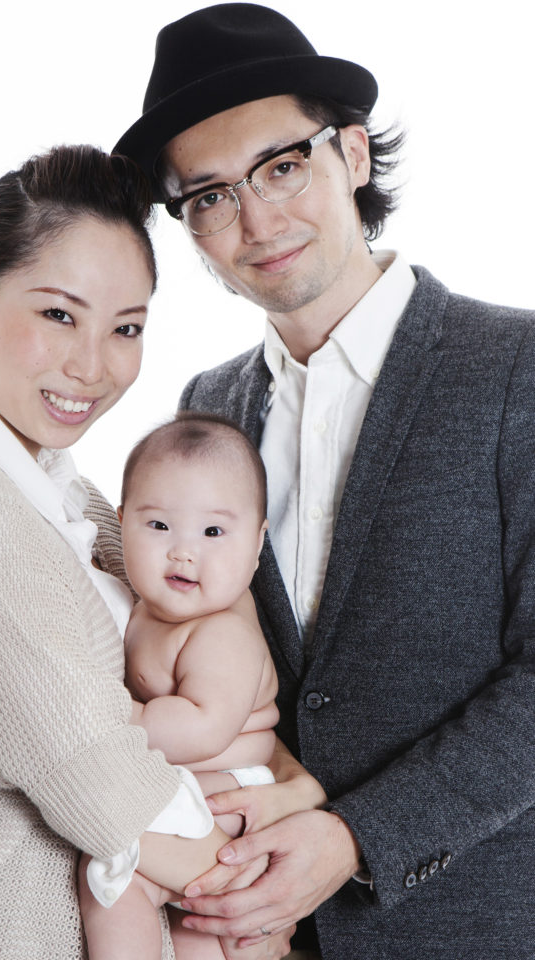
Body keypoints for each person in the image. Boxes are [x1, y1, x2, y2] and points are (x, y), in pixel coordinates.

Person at [113, 5, 535, 959]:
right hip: (247, 931)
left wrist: (356, 836)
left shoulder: (517, 369)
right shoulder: (207, 409)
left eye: (281, 166)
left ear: (352, 153)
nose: (257, 221)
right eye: (209, 196)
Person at [0, 143, 293, 960]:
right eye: (59, 315)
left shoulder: (58, 491)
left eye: (125, 328)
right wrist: (275, 890)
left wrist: (288, 791)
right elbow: (102, 780)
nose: (92, 366)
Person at [81, 412, 303, 960]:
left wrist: (116, 715)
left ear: (257, 543)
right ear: (121, 523)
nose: (183, 551)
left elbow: (205, 726)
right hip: (192, 786)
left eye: (213, 532)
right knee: (191, 931)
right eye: (159, 526)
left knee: (113, 862)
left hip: (233, 794)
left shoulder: (223, 631)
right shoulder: (142, 607)